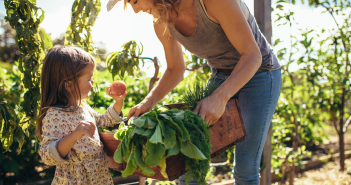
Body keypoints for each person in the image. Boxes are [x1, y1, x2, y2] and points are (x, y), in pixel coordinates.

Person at [107, 0, 281, 184]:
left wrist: (220, 97)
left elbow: (253, 56)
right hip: (221, 74)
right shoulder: (161, 21)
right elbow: (175, 69)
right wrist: (147, 103)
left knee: (245, 166)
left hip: (261, 73)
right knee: (188, 159)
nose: (135, 10)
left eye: (134, 0)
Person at [36, 46, 127, 184]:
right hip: (75, 179)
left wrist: (118, 103)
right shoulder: (54, 115)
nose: (93, 81)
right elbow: (47, 155)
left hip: (98, 176)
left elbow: (104, 121)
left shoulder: (83, 107)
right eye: (89, 78)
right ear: (69, 85)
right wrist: (74, 136)